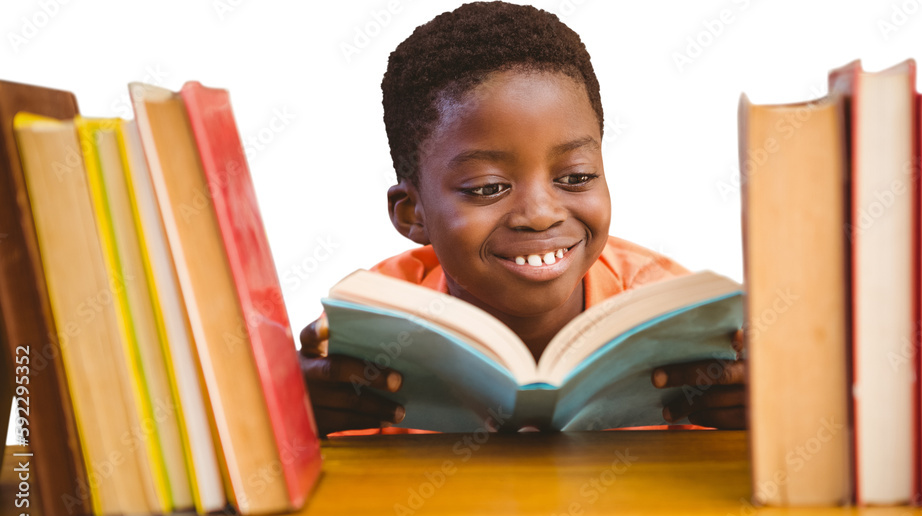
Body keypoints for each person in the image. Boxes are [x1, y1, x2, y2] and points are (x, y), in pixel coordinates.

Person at [298, 1, 745, 435]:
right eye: (488, 187)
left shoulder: (672, 311)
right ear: (413, 213)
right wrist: (289, 416)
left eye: (576, 176)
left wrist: (765, 407)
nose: (540, 214)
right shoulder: (374, 331)